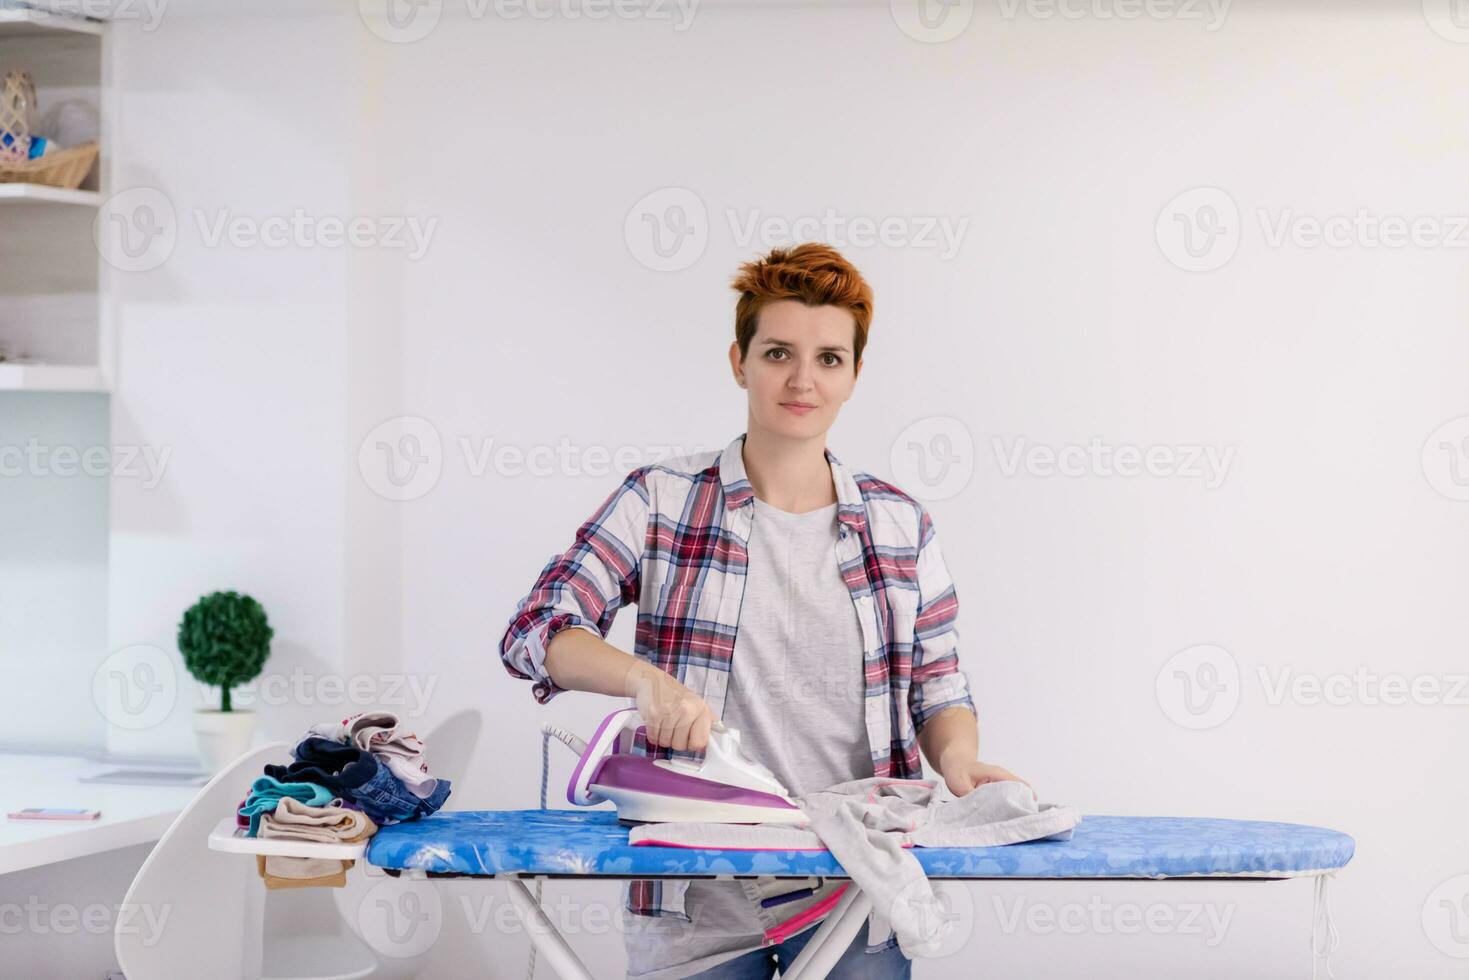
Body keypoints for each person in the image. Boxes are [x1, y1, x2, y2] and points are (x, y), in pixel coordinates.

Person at [499, 242, 1030, 979]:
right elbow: (535, 629)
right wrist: (645, 683)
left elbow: (938, 688)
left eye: (828, 359)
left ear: (854, 375)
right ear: (738, 361)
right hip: (697, 897)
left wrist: (961, 761)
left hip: (854, 888)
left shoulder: (900, 525)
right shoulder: (660, 500)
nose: (802, 379)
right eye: (778, 352)